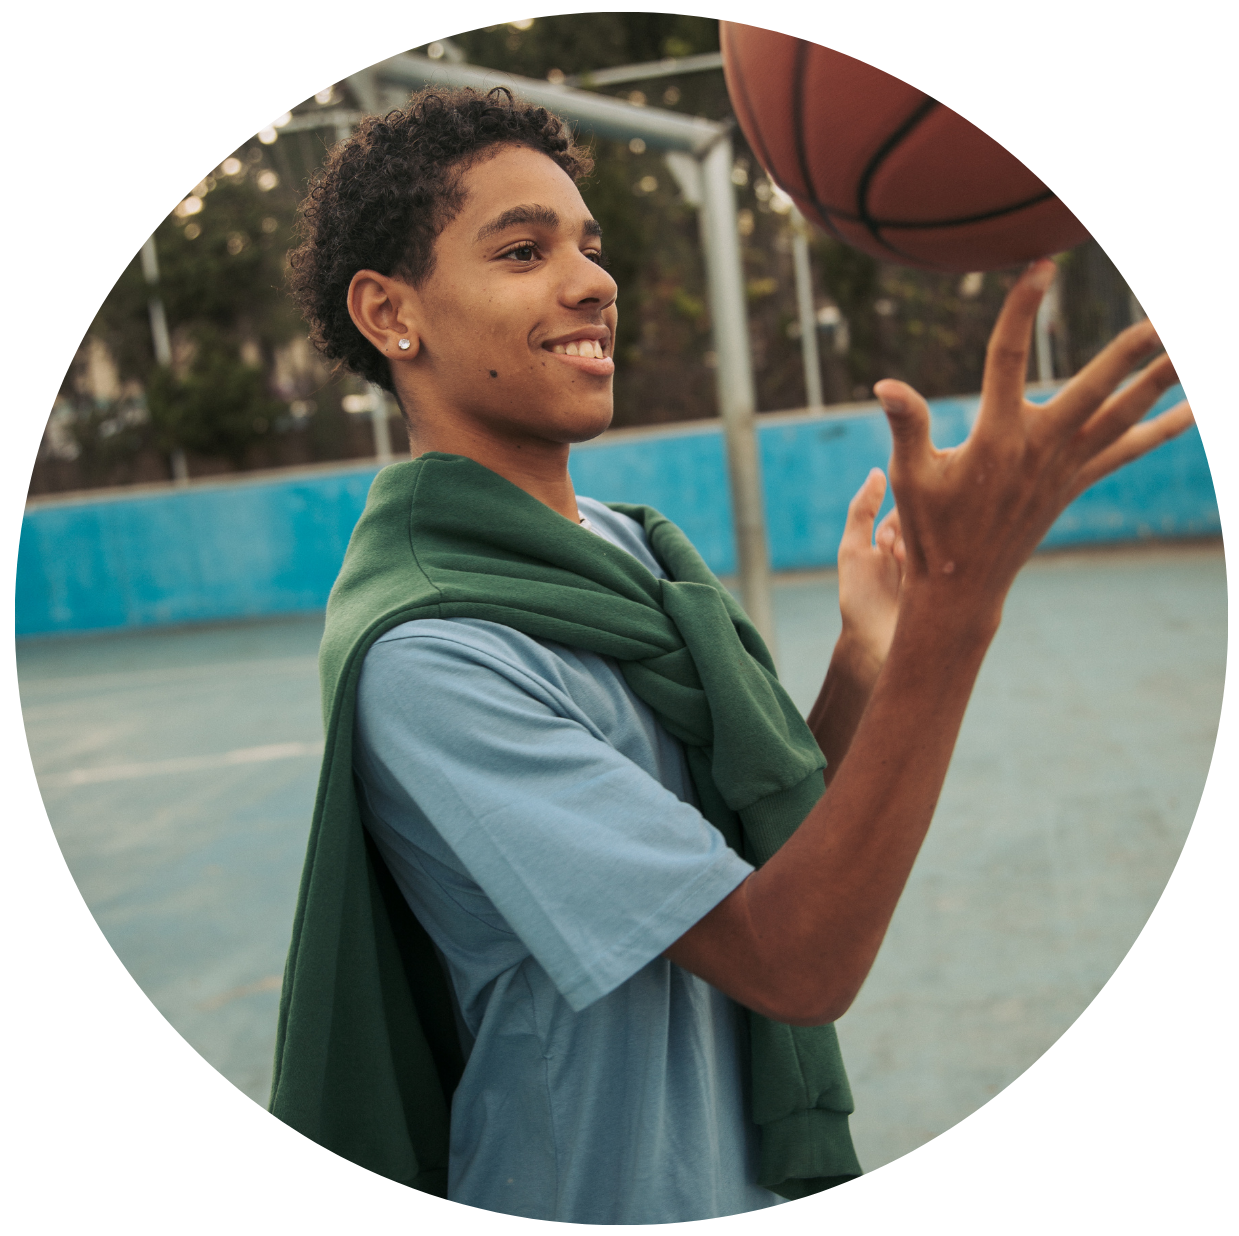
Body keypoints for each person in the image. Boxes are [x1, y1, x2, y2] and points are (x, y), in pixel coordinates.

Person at [268, 85, 1197, 1226]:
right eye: (522, 250)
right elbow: (791, 958)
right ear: (389, 313)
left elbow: (754, 846)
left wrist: (874, 659)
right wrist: (963, 608)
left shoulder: (624, 549)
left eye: (588, 245)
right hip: (587, 1195)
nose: (592, 280)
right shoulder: (435, 655)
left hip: (721, 1176)